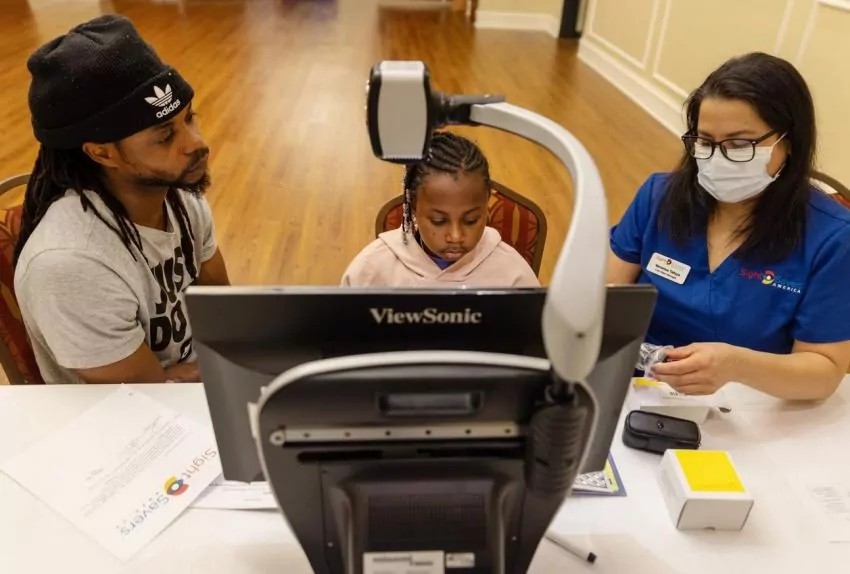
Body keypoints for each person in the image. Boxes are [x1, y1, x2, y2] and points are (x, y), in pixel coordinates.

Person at [608, 52, 850, 401]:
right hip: (638, 388)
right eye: (705, 142)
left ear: (789, 142)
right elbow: (608, 297)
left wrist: (736, 366)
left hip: (749, 403)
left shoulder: (832, 238)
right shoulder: (658, 197)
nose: (718, 158)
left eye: (739, 145)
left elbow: (823, 372)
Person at [13, 15, 229, 385]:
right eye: (165, 137)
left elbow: (227, 314)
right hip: (132, 416)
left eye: (189, 118)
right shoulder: (70, 265)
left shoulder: (178, 196)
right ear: (102, 153)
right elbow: (149, 395)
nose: (197, 143)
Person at [342, 131, 539, 287]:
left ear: (487, 203)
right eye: (439, 221)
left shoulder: (512, 273)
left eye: (470, 220)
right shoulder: (371, 270)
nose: (456, 236)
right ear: (413, 207)